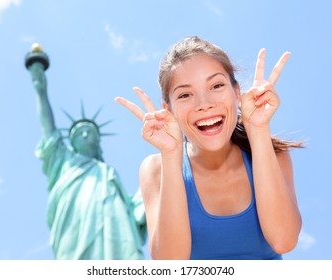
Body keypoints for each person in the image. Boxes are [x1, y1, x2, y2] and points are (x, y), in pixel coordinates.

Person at [115, 36, 302, 260]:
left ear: (236, 93)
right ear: (169, 110)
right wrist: (171, 155)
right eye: (185, 95)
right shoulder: (156, 169)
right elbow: (169, 265)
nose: (204, 104)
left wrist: (258, 129)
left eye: (216, 86)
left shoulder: (273, 154)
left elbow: (284, 240)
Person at [26, 44, 147, 260]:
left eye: (89, 132)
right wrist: (40, 87)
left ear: (98, 141)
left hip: (116, 226)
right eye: (79, 132)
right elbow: (48, 125)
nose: (84, 135)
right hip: (73, 227)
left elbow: (134, 207)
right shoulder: (63, 160)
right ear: (70, 141)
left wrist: (163, 173)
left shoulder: (106, 172)